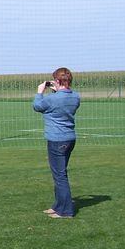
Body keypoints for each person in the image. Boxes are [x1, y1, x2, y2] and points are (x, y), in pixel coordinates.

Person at [33, 67, 80, 219]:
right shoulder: (75, 96)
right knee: (60, 173)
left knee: (60, 176)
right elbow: (61, 105)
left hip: (56, 140)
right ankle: (58, 206)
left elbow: (37, 106)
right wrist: (56, 91)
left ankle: (65, 211)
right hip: (69, 139)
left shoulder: (52, 99)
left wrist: (40, 92)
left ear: (57, 81)